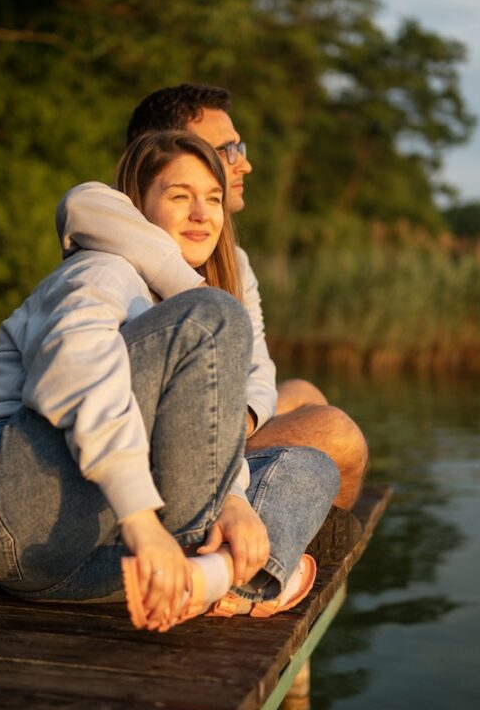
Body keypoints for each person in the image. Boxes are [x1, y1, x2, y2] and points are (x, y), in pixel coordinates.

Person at [0, 130, 339, 632]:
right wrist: (142, 524)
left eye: (213, 199)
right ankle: (224, 567)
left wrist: (230, 499)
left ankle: (202, 578)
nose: (202, 213)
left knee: (310, 466)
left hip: (62, 558)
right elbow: (75, 377)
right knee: (213, 315)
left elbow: (218, 422)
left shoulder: (186, 303)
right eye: (179, 196)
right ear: (136, 207)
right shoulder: (104, 269)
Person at [59, 83, 368, 509]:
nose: (246, 164)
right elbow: (79, 203)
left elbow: (257, 366)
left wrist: (239, 418)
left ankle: (291, 532)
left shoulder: (233, 261)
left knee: (304, 393)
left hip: (212, 418)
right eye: (228, 150)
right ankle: (277, 547)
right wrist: (197, 292)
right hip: (147, 435)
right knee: (337, 435)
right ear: (173, 153)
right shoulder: (113, 234)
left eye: (239, 147)